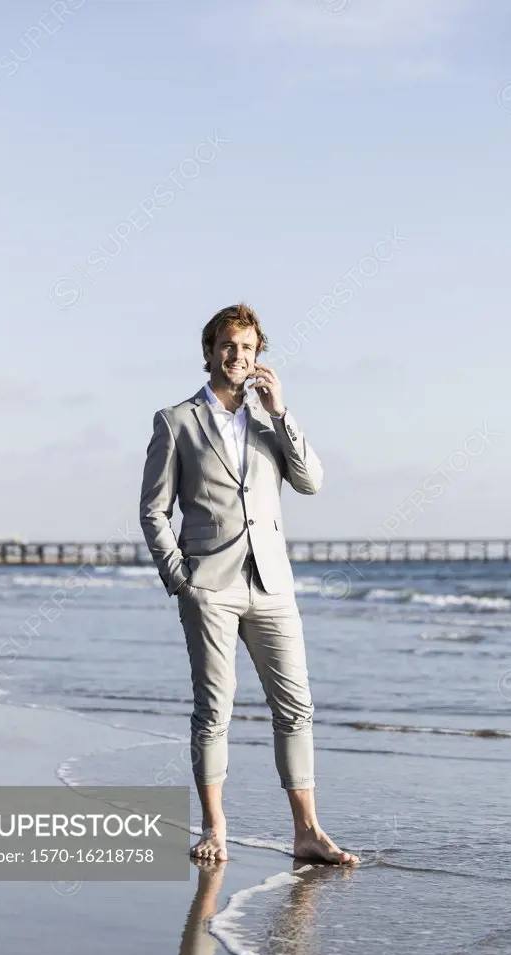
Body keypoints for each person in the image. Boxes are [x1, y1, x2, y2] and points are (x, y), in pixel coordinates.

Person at [139, 303, 357, 865]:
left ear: (260, 357)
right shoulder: (175, 422)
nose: (238, 357)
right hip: (208, 585)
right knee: (215, 710)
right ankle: (215, 829)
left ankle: (307, 831)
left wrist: (281, 412)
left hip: (272, 584)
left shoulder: (267, 425)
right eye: (229, 347)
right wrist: (178, 577)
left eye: (249, 349)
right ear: (210, 350)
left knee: (297, 706)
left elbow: (310, 482)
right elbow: (154, 510)